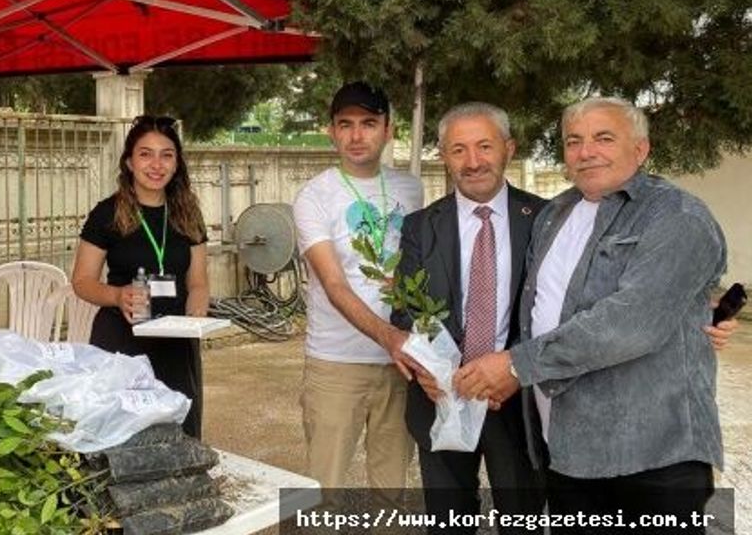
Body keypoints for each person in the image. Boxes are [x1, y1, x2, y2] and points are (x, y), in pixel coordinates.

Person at [454, 97, 727, 532]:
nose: (586, 151)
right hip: (567, 452)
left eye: (604, 138)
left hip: (652, 459)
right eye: (573, 141)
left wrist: (514, 365)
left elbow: (628, 324)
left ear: (640, 149)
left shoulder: (677, 215)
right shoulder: (555, 214)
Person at [392, 103, 545, 531]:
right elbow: (405, 308)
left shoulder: (545, 218)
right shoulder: (420, 226)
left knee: (523, 521)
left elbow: (561, 309)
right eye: (459, 149)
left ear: (508, 149)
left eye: (484, 146)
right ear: (443, 155)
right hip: (443, 398)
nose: (473, 161)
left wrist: (514, 369)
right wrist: (428, 367)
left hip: (515, 401)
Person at [292, 81, 425, 488]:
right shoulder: (314, 196)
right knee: (323, 491)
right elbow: (334, 284)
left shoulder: (411, 188)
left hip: (399, 366)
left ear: (389, 129)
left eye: (368, 123)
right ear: (331, 130)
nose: (355, 135)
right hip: (336, 364)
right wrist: (390, 337)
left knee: (392, 490)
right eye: (345, 124)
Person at [71, 114, 211, 438]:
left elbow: (198, 282)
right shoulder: (107, 213)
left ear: (177, 164)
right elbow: (82, 281)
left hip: (176, 346)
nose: (156, 164)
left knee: (180, 435)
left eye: (167, 154)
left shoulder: (188, 213)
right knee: (121, 436)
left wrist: (197, 318)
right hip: (121, 342)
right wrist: (118, 296)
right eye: (145, 154)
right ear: (130, 163)